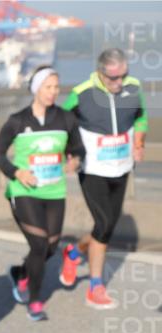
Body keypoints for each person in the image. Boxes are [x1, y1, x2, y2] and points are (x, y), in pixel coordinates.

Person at [59, 48, 148, 309]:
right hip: (93, 168)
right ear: (100, 73)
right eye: (113, 79)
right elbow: (63, 124)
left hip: (121, 167)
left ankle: (74, 253)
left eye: (123, 76)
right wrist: (69, 153)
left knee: (106, 227)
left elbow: (140, 117)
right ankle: (96, 286)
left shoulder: (133, 88)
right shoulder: (81, 93)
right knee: (105, 222)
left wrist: (139, 143)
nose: (119, 83)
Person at [0, 66, 84, 322]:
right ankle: (34, 300)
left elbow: (78, 147)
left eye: (56, 87)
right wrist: (16, 172)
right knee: (39, 244)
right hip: (24, 190)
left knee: (51, 248)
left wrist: (75, 160)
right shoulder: (18, 120)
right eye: (48, 87)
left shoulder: (66, 119)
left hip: (54, 190)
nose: (53, 92)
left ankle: (22, 273)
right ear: (36, 89)